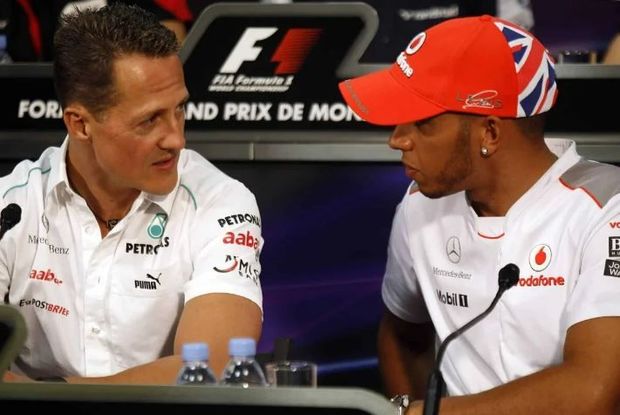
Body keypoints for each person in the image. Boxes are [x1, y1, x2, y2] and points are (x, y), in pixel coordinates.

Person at [339, 14, 620, 415]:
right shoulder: (419, 207)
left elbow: (594, 392)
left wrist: (430, 413)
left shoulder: (607, 208)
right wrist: (407, 406)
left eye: (423, 123)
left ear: (489, 132)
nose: (397, 140)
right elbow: (404, 336)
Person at [0, 3, 263, 384]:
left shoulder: (221, 202)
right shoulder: (10, 207)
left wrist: (47, 398)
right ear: (80, 124)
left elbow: (213, 369)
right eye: (149, 120)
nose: (176, 139)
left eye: (179, 109)